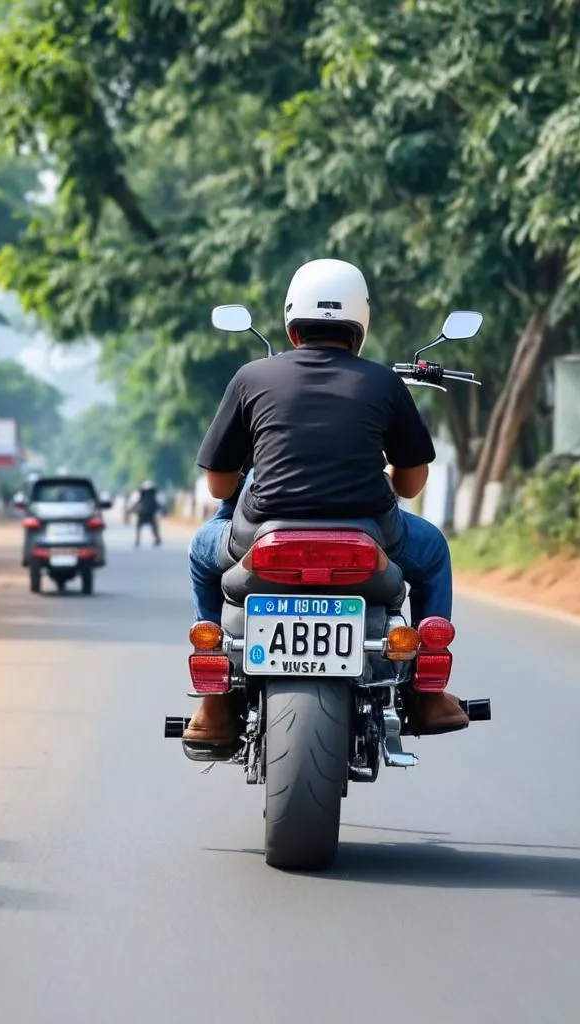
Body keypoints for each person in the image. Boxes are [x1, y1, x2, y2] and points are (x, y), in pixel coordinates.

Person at [184, 257, 466, 743]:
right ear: (360, 325)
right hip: (370, 535)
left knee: (200, 553)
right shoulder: (384, 382)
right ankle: (428, 692)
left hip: (262, 536)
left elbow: (219, 487)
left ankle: (215, 703)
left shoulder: (252, 377)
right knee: (434, 552)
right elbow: (410, 485)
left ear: (292, 328)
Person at [134, 480, 162, 547]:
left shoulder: (143, 494)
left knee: (139, 527)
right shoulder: (152, 494)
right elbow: (157, 504)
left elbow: (138, 502)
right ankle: (157, 539)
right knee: (154, 526)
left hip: (144, 514)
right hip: (149, 514)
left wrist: (134, 509)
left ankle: (137, 540)